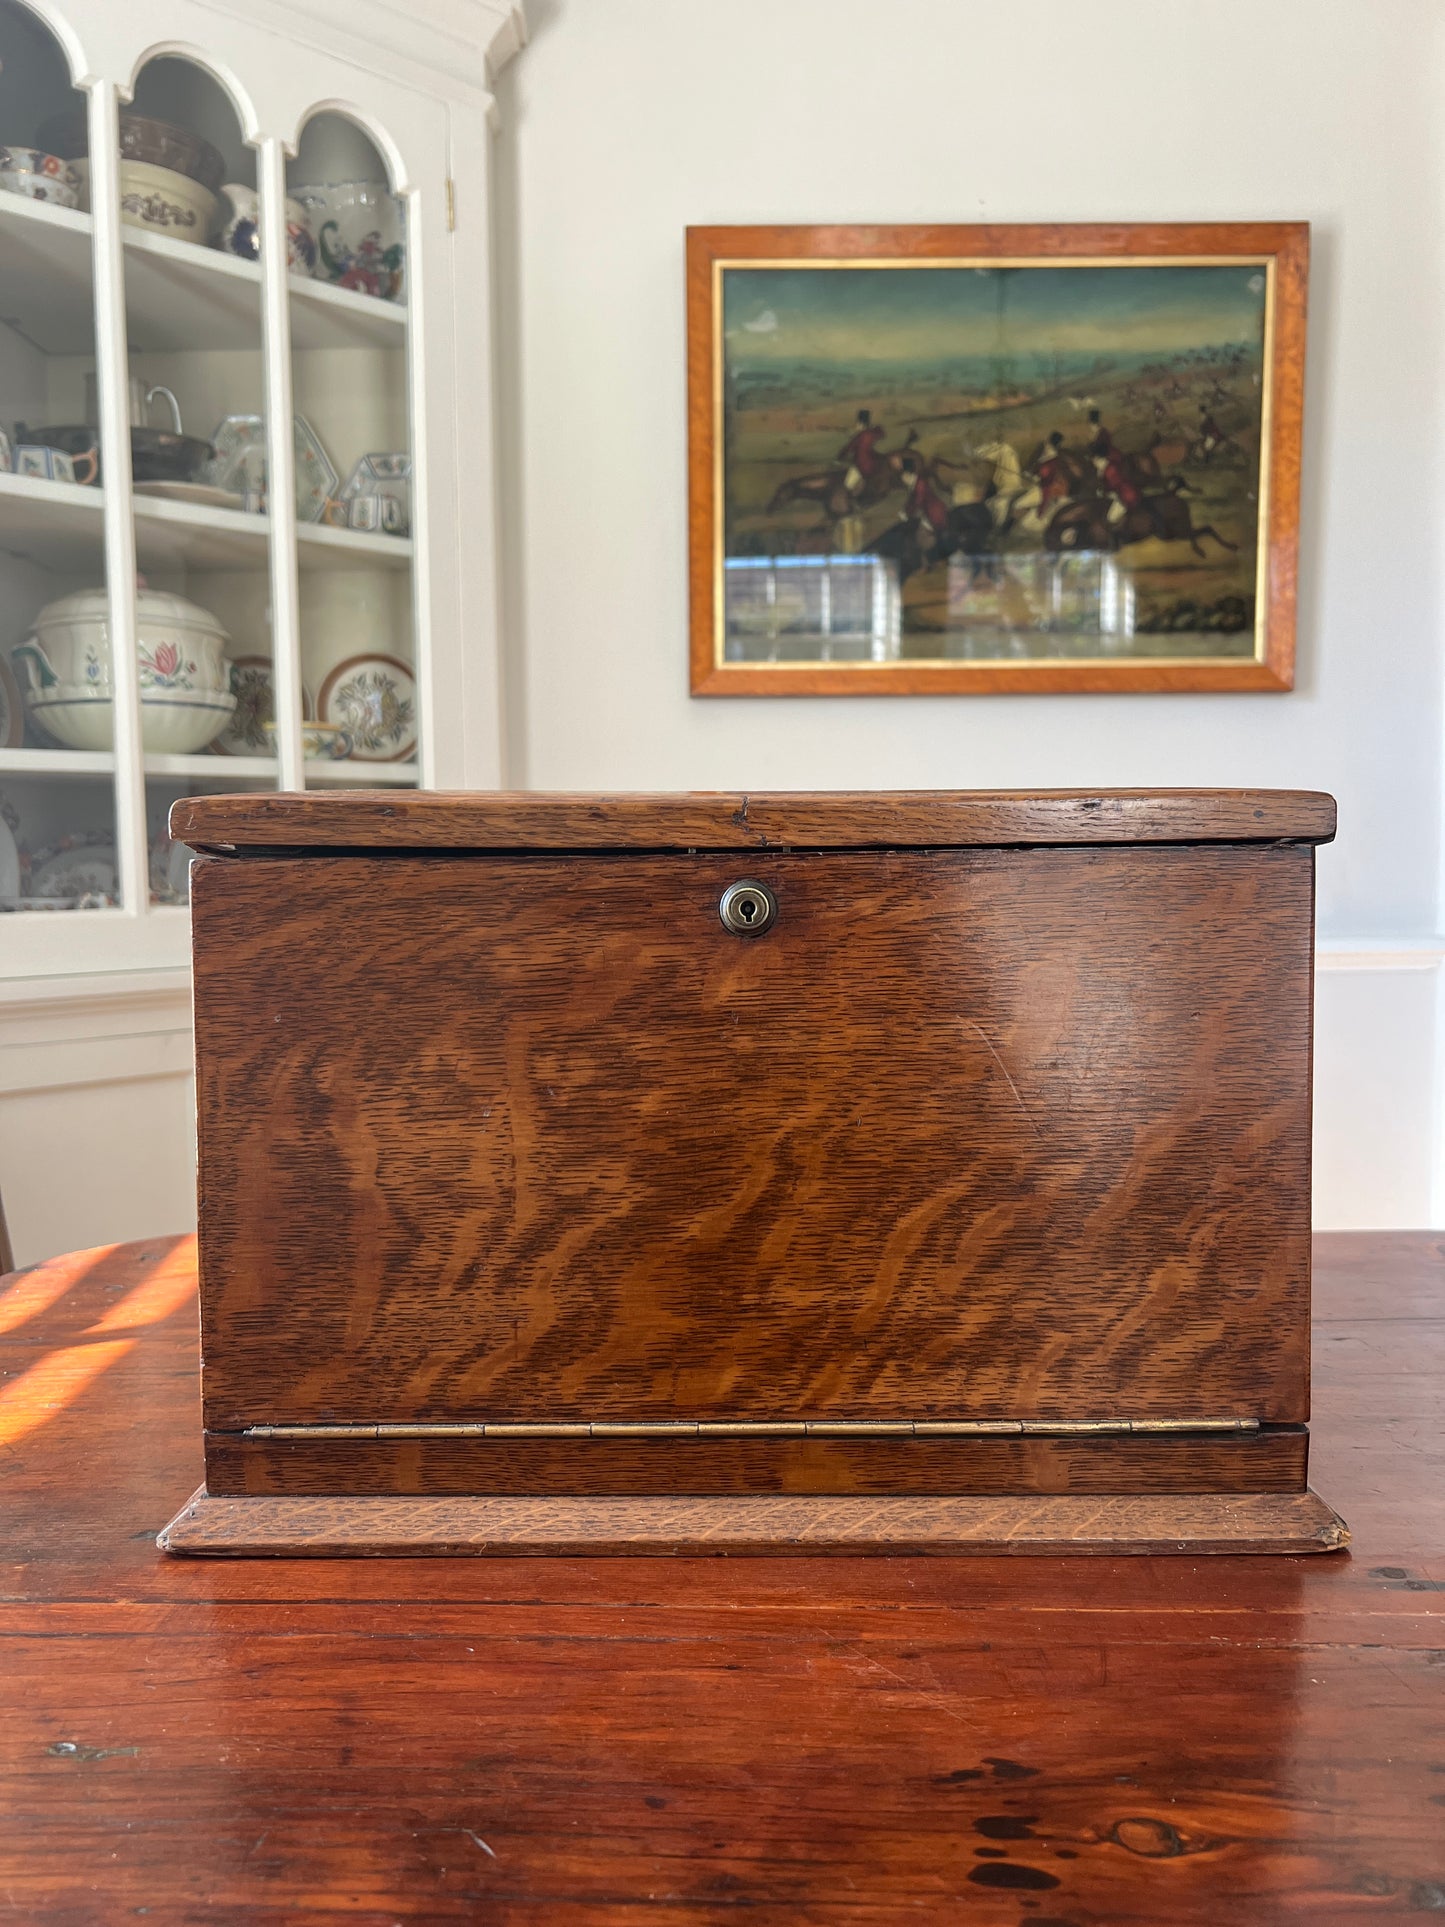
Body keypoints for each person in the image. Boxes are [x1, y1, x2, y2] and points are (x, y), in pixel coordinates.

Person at [837, 408, 886, 496]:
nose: (856, 425)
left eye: (857, 424)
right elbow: (879, 433)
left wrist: (840, 456)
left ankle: (853, 500)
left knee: (847, 484)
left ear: (861, 424)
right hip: (873, 463)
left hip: (862, 465)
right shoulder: (872, 433)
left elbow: (849, 448)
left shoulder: (860, 436)